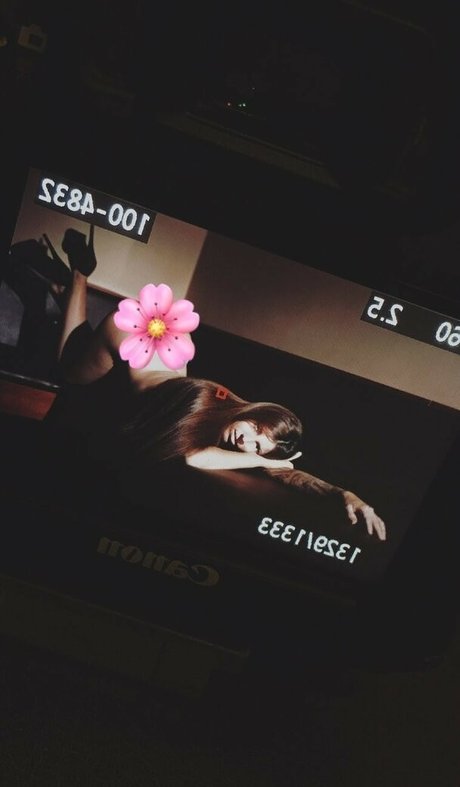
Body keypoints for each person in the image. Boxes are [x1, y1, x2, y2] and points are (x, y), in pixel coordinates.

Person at [50, 243, 386, 542]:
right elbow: (194, 457)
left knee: (81, 359)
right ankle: (79, 276)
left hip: (164, 352)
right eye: (256, 429)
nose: (247, 442)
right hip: (139, 336)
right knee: (70, 372)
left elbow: (286, 473)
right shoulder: (212, 412)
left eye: (258, 446)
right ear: (255, 412)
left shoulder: (221, 407)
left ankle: (64, 290)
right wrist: (260, 459)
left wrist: (341, 493)